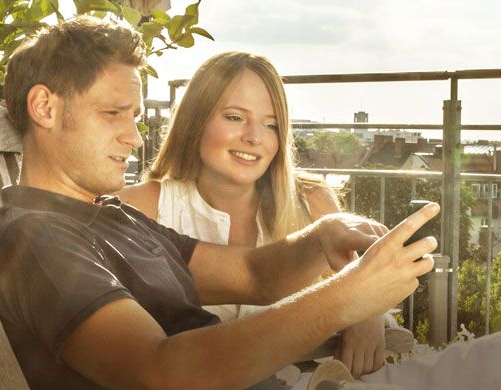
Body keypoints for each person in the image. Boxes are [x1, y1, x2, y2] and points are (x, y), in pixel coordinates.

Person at [0, 15, 501, 389]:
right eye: (114, 114)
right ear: (46, 108)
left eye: (136, 115)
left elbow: (251, 276)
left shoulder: (111, 218)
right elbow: (166, 373)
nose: (134, 136)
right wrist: (346, 301)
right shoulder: (37, 242)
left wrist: (322, 241)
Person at [114, 51, 396, 377]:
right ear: (195, 119)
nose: (254, 137)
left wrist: (367, 313)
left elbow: (366, 284)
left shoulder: (313, 202)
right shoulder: (140, 208)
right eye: (235, 117)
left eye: (271, 124)